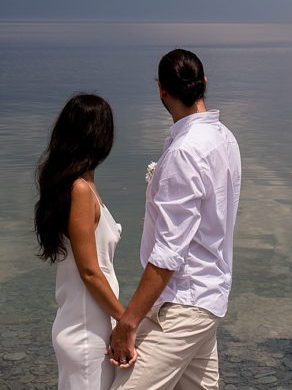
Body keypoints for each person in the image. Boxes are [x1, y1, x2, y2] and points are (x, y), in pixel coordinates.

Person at [108, 49, 242, 389]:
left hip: (183, 305)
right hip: (209, 300)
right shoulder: (225, 139)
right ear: (204, 84)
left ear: (161, 90)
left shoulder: (184, 151)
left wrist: (128, 321)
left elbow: (168, 254)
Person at [35, 94, 124, 390]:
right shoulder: (81, 190)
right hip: (87, 329)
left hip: (85, 321)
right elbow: (89, 271)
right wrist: (126, 320)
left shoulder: (75, 186)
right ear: (100, 137)